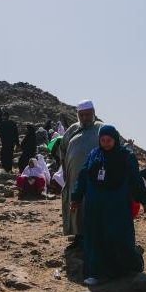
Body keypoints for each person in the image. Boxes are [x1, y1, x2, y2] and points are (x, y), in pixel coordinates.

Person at [70, 125, 146, 286]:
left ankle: (124, 268)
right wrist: (76, 198)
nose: (106, 143)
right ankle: (97, 273)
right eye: (103, 140)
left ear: (115, 139)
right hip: (95, 207)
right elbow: (83, 176)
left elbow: (136, 180)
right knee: (95, 238)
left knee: (117, 237)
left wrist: (145, 200)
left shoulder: (126, 156)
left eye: (109, 140)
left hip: (117, 206)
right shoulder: (94, 154)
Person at [59, 100, 104, 250]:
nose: (85, 118)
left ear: (93, 113)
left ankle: (95, 236)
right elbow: (63, 149)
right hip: (74, 177)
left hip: (96, 178)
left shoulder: (101, 128)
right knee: (76, 205)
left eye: (88, 114)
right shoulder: (72, 129)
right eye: (81, 115)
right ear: (77, 115)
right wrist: (65, 168)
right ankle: (78, 236)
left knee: (93, 205)